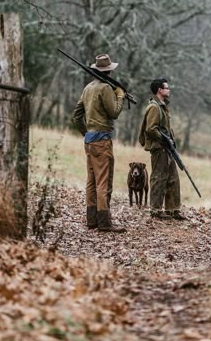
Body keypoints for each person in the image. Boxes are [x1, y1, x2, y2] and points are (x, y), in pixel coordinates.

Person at [72, 53, 126, 233]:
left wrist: (86, 133)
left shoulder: (88, 88)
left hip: (89, 140)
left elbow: (76, 116)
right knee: (103, 182)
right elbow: (114, 113)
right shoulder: (105, 89)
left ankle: (91, 220)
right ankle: (104, 223)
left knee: (91, 181)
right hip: (102, 140)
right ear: (109, 71)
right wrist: (119, 96)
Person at [138, 78, 187, 220]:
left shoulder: (162, 105)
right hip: (159, 148)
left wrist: (170, 140)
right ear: (160, 90)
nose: (169, 90)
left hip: (167, 149)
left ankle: (173, 209)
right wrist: (164, 139)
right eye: (167, 87)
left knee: (173, 178)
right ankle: (156, 210)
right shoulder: (154, 107)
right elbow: (151, 129)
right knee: (158, 178)